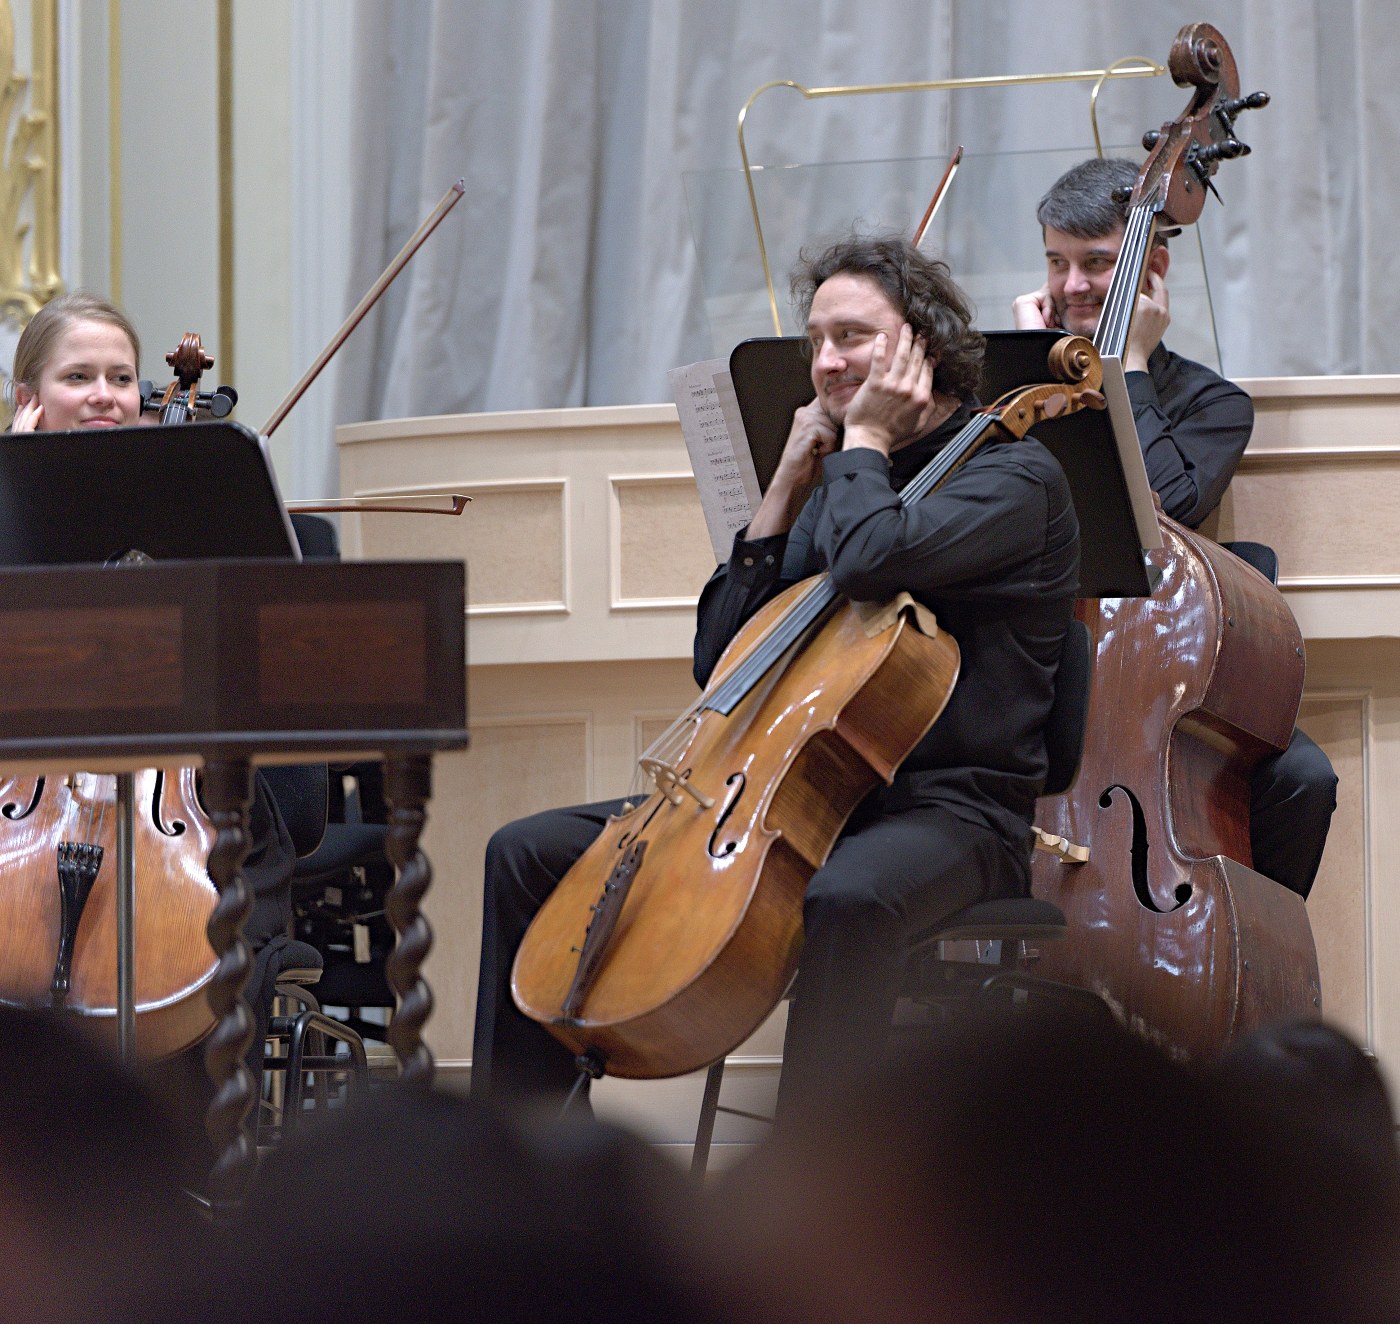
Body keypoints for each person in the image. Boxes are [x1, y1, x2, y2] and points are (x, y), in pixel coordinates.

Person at [473, 236, 1079, 1121]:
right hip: (788, 801)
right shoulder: (838, 481)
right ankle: (517, 1160)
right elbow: (724, 658)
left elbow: (876, 559)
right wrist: (787, 485)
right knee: (526, 853)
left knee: (849, 897)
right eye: (816, 341)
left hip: (951, 815)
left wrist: (863, 442)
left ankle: (810, 1189)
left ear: (923, 348)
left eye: (853, 338)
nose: (827, 363)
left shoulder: (1015, 479)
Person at [6, 291, 299, 1166]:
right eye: (78, 376)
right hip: (23, 821)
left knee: (200, 958)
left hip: (197, 831)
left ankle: (181, 1204)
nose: (104, 394)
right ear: (28, 396)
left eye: (121, 378)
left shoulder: (192, 513)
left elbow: (265, 681)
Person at [1012, 157, 1337, 901]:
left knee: (1303, 778)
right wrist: (1028, 366)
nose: (1071, 287)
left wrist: (1127, 367)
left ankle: (1245, 971)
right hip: (1033, 659)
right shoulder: (1006, 388)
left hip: (1157, 674)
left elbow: (1169, 504)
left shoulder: (1213, 404)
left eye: (1097, 263)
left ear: (1151, 269)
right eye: (1057, 264)